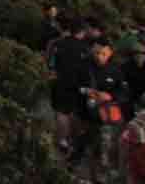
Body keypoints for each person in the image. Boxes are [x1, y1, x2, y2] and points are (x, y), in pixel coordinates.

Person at [75, 38, 130, 182]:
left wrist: (110, 96)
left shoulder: (116, 70)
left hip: (106, 118)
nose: (100, 56)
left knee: (102, 149)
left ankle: (99, 178)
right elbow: (74, 86)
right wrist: (88, 92)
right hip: (85, 115)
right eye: (97, 53)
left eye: (103, 54)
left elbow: (124, 93)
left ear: (110, 53)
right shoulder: (84, 67)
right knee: (84, 146)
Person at [51, 17, 91, 156]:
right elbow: (87, 70)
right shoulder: (85, 48)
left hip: (60, 82)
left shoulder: (58, 44)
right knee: (74, 113)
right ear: (81, 32)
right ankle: (74, 140)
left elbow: (51, 63)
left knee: (61, 112)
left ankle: (62, 140)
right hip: (77, 85)